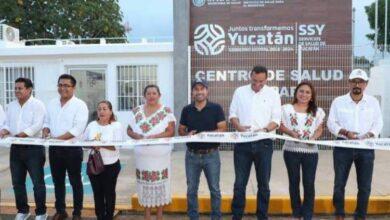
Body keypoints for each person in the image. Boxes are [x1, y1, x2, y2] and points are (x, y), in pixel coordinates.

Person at [327, 69, 383, 220]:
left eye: (361, 82)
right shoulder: (338, 101)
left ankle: (360, 216)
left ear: (366, 84)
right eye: (354, 81)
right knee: (339, 184)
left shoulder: (373, 102)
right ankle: (339, 214)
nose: (357, 84)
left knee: (364, 186)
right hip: (343, 146)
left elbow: (378, 124)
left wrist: (368, 135)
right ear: (349, 82)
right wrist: (346, 133)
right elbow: (331, 123)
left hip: (366, 148)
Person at [229, 65, 281, 220]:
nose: (257, 84)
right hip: (243, 143)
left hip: (264, 143)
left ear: (266, 79)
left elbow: (276, 120)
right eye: (254, 80)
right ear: (250, 76)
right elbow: (232, 114)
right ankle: (237, 215)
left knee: (263, 184)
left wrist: (265, 130)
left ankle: (262, 215)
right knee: (239, 183)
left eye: (261, 81)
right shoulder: (239, 91)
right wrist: (238, 126)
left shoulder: (273, 94)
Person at [179, 79, 227, 220]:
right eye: (196, 89)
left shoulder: (216, 108)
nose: (199, 92)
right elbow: (181, 129)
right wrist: (186, 134)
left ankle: (216, 217)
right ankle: (193, 217)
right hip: (192, 156)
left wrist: (208, 134)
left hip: (211, 155)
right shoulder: (187, 109)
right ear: (192, 92)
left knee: (215, 189)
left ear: (207, 91)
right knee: (191, 190)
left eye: (202, 89)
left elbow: (223, 128)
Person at [42, 74, 89, 220]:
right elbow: (47, 121)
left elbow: (78, 129)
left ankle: (77, 212)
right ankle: (61, 210)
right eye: (60, 85)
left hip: (72, 149)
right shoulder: (51, 103)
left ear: (73, 88)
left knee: (75, 181)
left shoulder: (80, 105)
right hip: (55, 149)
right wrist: (46, 129)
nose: (63, 88)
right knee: (58, 181)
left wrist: (57, 139)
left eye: (67, 86)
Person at [0, 78, 47, 220]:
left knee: (37, 183)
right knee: (17, 182)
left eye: (20, 88)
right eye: (15, 88)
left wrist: (21, 135)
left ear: (29, 89)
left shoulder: (38, 105)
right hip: (16, 148)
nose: (16, 91)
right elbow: (8, 124)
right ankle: (23, 210)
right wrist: (4, 131)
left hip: (33, 149)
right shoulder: (11, 105)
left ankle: (41, 213)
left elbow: (38, 124)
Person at [127, 85, 176, 220]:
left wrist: (155, 137)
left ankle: (159, 215)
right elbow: (129, 130)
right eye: (148, 93)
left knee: (160, 184)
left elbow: (171, 131)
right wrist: (138, 137)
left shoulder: (166, 111)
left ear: (159, 95)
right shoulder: (136, 111)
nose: (151, 96)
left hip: (161, 156)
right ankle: (147, 215)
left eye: (154, 93)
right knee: (145, 184)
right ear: (144, 96)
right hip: (142, 156)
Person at [279, 81, 325, 220]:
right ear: (296, 93)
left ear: (311, 96)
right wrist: (291, 133)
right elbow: (280, 126)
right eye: (301, 91)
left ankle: (307, 215)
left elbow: (319, 129)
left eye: (307, 92)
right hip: (291, 150)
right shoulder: (286, 109)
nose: (304, 94)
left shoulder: (318, 111)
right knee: (294, 182)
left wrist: (313, 138)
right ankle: (296, 214)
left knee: (309, 183)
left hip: (310, 153)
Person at [84, 100, 122, 220]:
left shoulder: (116, 126)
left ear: (110, 111)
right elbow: (83, 143)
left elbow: (117, 146)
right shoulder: (91, 125)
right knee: (97, 193)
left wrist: (100, 144)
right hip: (94, 164)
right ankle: (100, 216)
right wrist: (92, 145)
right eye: (99, 109)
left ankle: (108, 216)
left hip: (110, 165)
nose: (101, 111)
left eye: (105, 109)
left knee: (109, 193)